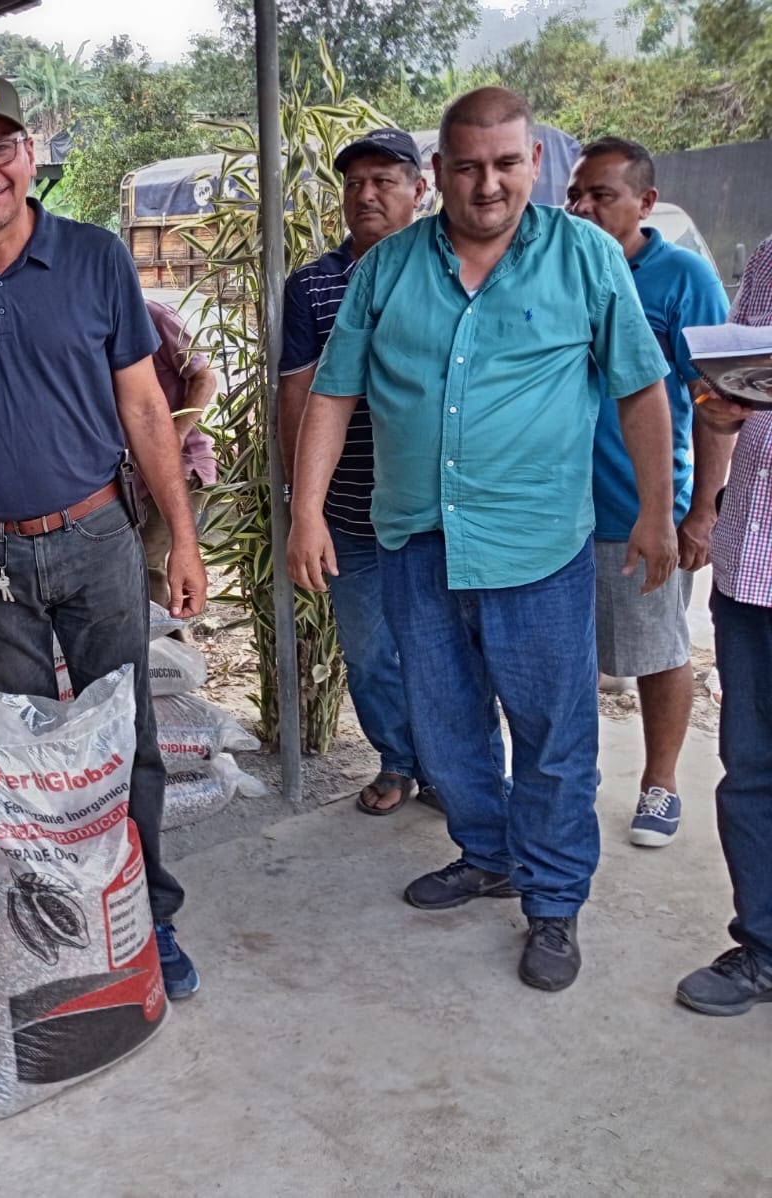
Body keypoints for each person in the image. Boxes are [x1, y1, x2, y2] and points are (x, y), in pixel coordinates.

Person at [286, 88, 678, 992]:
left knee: (552, 734)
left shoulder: (584, 256)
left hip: (536, 549)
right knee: (445, 722)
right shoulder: (388, 269)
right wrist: (307, 514)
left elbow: (639, 388)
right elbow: (334, 392)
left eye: (506, 164)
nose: (488, 184)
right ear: (439, 173)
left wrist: (657, 511)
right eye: (467, 166)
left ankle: (553, 899)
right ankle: (488, 853)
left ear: (534, 163)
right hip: (416, 542)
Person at [0, 74, 209, 999]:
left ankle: (148, 914)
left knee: (127, 736)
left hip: (98, 536)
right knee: (25, 754)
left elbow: (144, 407)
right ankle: (63, 927)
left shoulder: (96, 258)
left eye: (1, 149)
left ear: (30, 155)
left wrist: (182, 540)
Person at [564, 137, 732, 848]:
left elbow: (716, 400)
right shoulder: (560, 266)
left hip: (639, 511)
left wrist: (699, 513)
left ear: (645, 203)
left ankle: (660, 784)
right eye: (576, 195)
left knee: (658, 651)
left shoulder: (682, 278)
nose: (582, 208)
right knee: (561, 663)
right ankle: (568, 785)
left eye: (601, 195)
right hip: (553, 512)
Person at [279, 127, 445, 816]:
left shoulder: (452, 270)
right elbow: (297, 393)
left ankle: (451, 769)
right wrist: (303, 505)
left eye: (383, 181)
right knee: (371, 652)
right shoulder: (313, 285)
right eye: (354, 183)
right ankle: (399, 759)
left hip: (439, 512)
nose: (366, 194)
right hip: (350, 513)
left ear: (420, 190)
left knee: (449, 650)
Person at [675, 233, 772, 1017]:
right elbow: (724, 407)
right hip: (750, 568)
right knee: (751, 770)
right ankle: (764, 946)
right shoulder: (770, 259)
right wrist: (714, 405)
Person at [141, 299, 218, 610]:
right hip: (134, 470)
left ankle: (161, 637)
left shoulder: (155, 316)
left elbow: (205, 378)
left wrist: (176, 435)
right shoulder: (89, 320)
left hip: (181, 465)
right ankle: (166, 635)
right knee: (129, 564)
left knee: (147, 563)